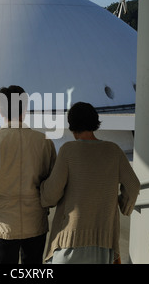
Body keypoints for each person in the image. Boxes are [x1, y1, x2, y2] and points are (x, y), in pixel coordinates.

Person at [40, 102, 140, 264]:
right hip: (103, 245)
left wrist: (42, 187)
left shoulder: (68, 150)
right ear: (95, 123)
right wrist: (122, 205)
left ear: (72, 126)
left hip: (69, 242)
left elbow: (51, 196)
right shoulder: (113, 150)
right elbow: (133, 185)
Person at [0, 85, 57, 264]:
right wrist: (45, 207)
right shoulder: (45, 143)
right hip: (35, 221)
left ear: (0, 110)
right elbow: (53, 183)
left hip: (2, 224)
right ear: (25, 109)